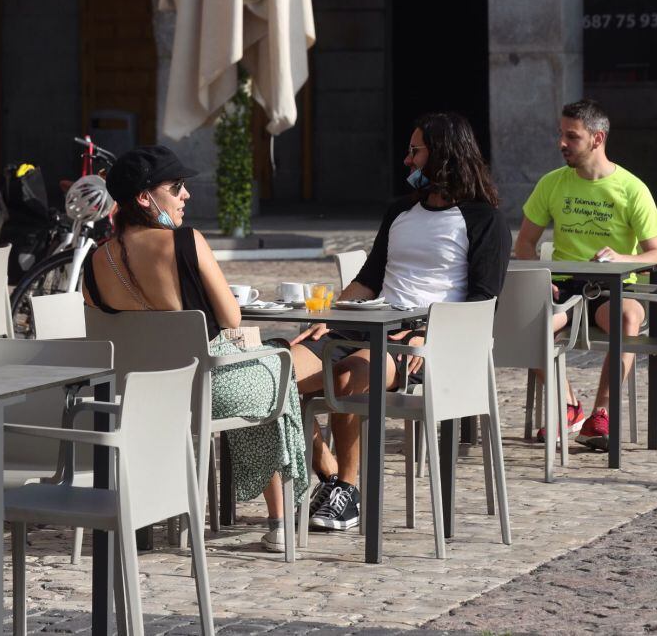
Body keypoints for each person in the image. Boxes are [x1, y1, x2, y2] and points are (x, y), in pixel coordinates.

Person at [289, 112, 511, 531]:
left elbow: (484, 302)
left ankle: (348, 493)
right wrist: (330, 315)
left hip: (424, 341)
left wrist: (427, 333)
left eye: (415, 151)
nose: (407, 161)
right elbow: (369, 279)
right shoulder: (400, 211)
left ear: (442, 155)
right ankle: (331, 474)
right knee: (276, 372)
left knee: (347, 376)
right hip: (362, 325)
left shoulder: (485, 220)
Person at [81, 145, 309, 552]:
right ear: (144, 197)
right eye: (177, 186)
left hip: (137, 393)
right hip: (203, 388)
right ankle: (280, 520)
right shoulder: (187, 242)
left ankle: (151, 518)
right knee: (278, 369)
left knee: (257, 366)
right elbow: (232, 319)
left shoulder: (96, 261)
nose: (186, 195)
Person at [515, 99, 657, 451]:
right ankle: (568, 405)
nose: (562, 143)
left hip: (615, 286)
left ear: (597, 139)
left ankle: (601, 414)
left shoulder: (632, 188)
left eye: (572, 136)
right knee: (523, 323)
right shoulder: (552, 184)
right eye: (561, 134)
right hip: (564, 288)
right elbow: (524, 242)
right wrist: (541, 279)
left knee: (627, 317)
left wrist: (621, 257)